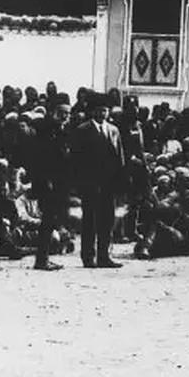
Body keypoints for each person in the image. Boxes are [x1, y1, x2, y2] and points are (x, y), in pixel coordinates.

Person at [74, 102, 124, 268]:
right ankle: (88, 257)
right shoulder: (83, 130)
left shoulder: (114, 130)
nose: (102, 113)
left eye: (105, 110)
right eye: (99, 110)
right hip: (90, 183)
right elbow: (78, 160)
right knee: (90, 220)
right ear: (93, 111)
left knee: (107, 220)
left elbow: (119, 157)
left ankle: (104, 256)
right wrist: (81, 183)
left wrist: (119, 180)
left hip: (109, 183)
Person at [28, 105, 72, 271]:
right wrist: (46, 180)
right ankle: (42, 259)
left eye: (67, 114)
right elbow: (42, 158)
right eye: (62, 113)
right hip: (48, 183)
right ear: (55, 113)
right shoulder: (47, 132)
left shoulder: (62, 131)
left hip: (58, 182)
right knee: (47, 220)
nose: (65, 117)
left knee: (51, 220)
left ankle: (44, 257)